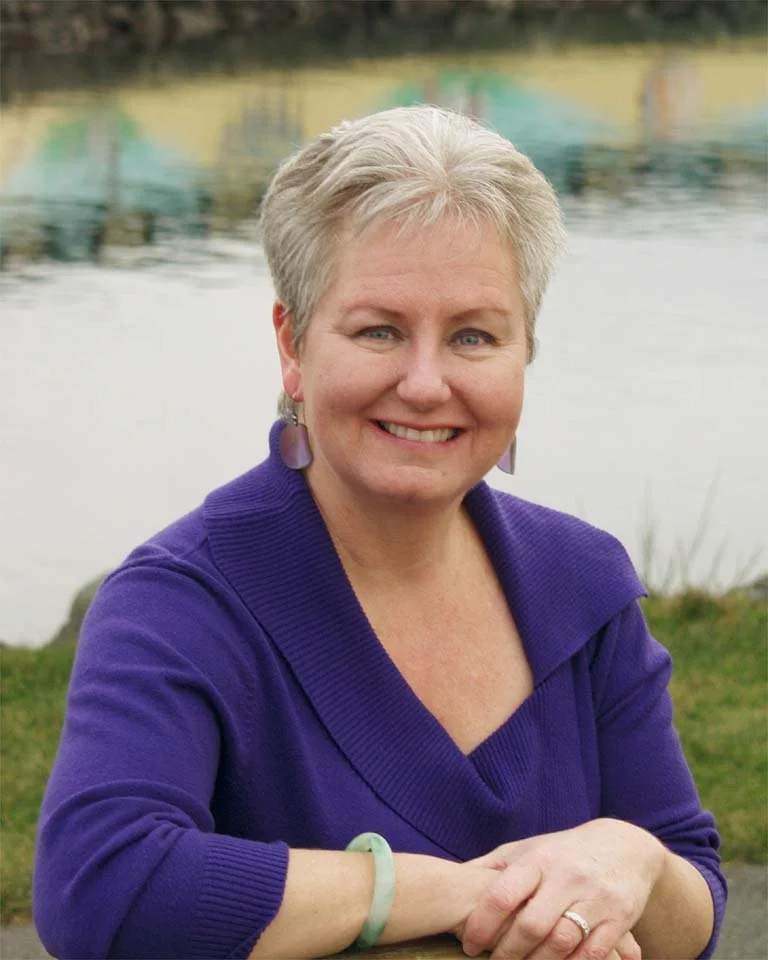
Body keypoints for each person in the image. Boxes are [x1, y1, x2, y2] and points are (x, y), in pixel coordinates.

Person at [34, 105, 725, 960]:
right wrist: (456, 892)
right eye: (379, 331)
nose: (427, 383)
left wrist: (636, 864)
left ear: (526, 351)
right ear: (292, 345)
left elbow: (692, 910)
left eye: (474, 335)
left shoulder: (583, 580)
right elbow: (101, 891)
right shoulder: (182, 602)